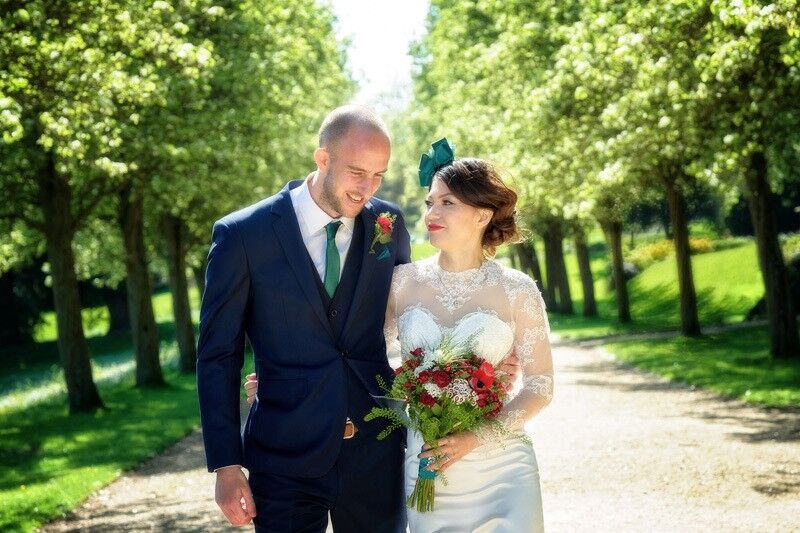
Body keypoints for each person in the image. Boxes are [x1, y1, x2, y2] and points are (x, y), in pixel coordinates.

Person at [198, 107, 521, 532]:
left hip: (377, 452)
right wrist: (226, 464)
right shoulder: (243, 235)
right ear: (322, 159)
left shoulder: (387, 224)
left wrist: (476, 361)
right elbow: (218, 354)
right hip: (284, 456)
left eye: (377, 176)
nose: (366, 189)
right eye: (356, 173)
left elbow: (412, 316)